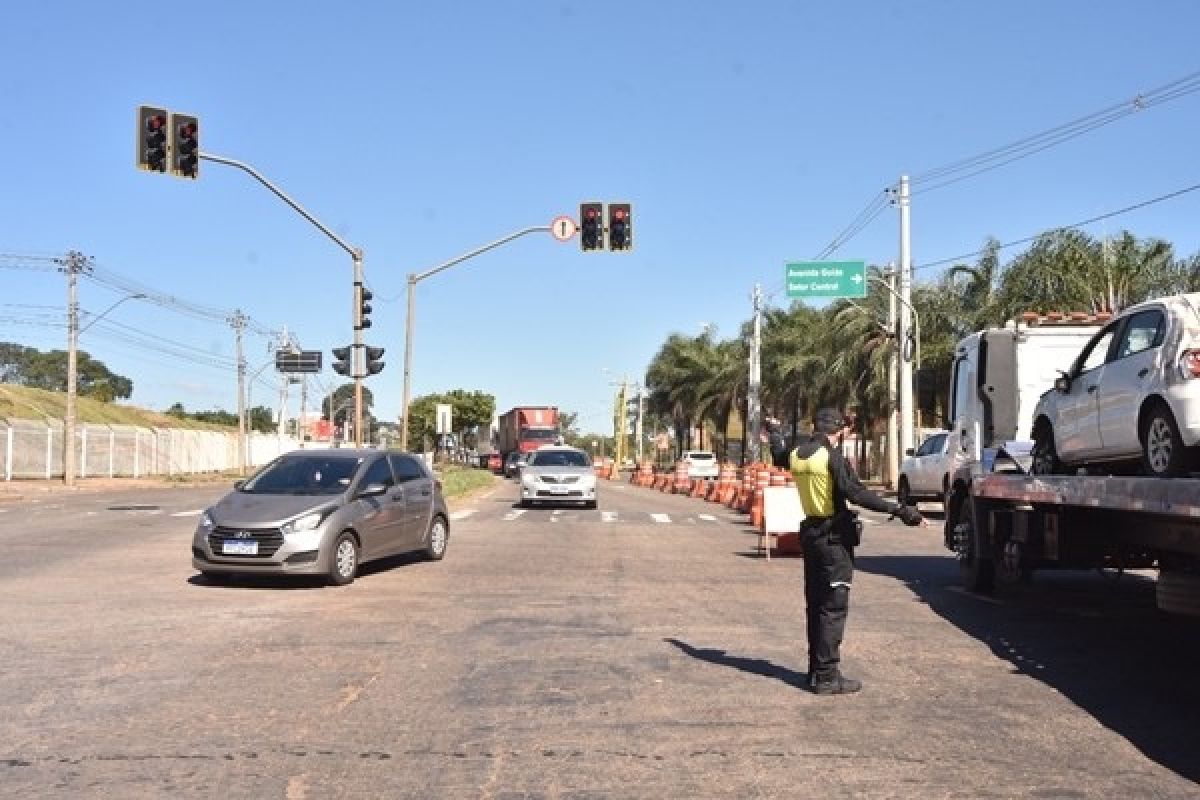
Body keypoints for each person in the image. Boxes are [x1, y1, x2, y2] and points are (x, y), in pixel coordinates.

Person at [767, 408, 923, 695]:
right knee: (833, 607)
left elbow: (778, 454)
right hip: (833, 539)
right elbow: (857, 493)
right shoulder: (831, 457)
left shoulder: (798, 453)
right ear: (838, 431)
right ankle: (827, 677)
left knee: (815, 605)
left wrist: (775, 432)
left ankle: (816, 671)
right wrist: (899, 509)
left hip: (810, 535)